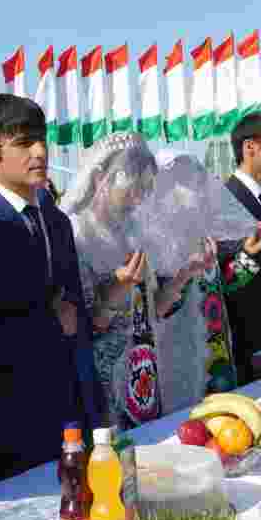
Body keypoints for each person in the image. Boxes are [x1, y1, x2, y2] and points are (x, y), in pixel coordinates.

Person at [0, 94, 101, 483]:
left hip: (76, 407)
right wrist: (50, 323)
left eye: (41, 139)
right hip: (18, 420)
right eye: (23, 143)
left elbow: (75, 314)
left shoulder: (57, 221)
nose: (40, 151)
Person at [61, 132, 212, 429]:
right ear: (101, 176)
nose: (139, 198)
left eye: (145, 189)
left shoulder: (134, 231)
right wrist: (115, 292)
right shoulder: (76, 234)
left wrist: (185, 273)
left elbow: (151, 312)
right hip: (102, 383)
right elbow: (85, 325)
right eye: (133, 187)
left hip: (143, 374)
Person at [145, 150, 259, 411]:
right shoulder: (155, 242)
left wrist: (247, 256)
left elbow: (220, 290)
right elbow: (157, 310)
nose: (196, 190)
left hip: (217, 352)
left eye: (197, 182)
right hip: (180, 357)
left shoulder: (203, 235)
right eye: (185, 182)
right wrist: (185, 274)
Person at [222, 112, 261, 380]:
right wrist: (247, 256)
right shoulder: (227, 200)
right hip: (250, 343)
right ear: (250, 147)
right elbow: (225, 280)